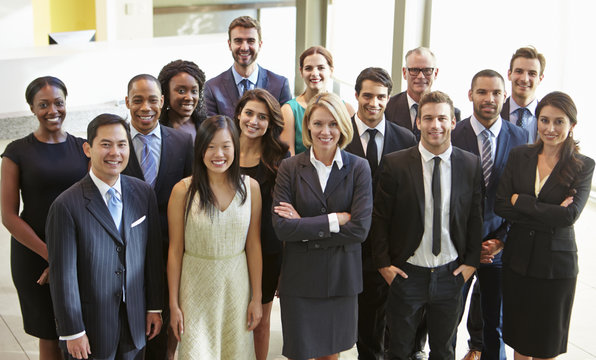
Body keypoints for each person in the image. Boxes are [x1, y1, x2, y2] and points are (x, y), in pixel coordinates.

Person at [371, 91, 483, 360]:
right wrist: (384, 265)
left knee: (444, 351)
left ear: (453, 122)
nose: (435, 125)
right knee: (398, 349)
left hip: (451, 274)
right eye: (428, 118)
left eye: (442, 118)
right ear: (418, 122)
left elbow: (474, 218)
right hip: (407, 274)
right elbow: (380, 219)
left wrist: (471, 263)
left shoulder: (469, 164)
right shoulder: (395, 164)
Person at [46, 113, 164, 360]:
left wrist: (154, 307)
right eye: (106, 144)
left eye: (122, 144)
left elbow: (152, 255)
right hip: (90, 326)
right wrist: (73, 330)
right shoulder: (66, 205)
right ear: (88, 149)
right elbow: (63, 275)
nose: (115, 153)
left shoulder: (143, 193)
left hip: (135, 321)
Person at [272, 92, 373, 360]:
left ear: (342, 126)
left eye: (332, 124)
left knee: (331, 355)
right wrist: (335, 220)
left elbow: (360, 229)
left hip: (341, 278)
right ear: (307, 127)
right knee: (299, 352)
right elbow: (282, 227)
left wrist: (303, 229)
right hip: (300, 279)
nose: (325, 131)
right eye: (317, 124)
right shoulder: (290, 168)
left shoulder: (359, 168)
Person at [495, 91, 594, 360]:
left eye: (559, 122)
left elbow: (569, 217)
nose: (550, 129)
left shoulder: (583, 165)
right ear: (536, 121)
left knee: (546, 344)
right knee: (519, 341)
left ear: (572, 125)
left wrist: (521, 201)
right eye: (544, 120)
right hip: (519, 262)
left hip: (555, 268)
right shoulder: (519, 156)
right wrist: (547, 211)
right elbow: (501, 205)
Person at [0, 76, 89, 360]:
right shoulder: (17, 152)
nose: (53, 110)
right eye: (44, 104)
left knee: (78, 329)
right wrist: (52, 257)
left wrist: (66, 259)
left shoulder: (84, 148)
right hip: (34, 253)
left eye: (59, 103)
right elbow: (9, 215)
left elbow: (92, 207)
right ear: (32, 108)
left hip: (79, 253)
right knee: (49, 334)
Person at [167, 115, 263, 359]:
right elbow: (175, 251)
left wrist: (257, 297)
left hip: (237, 286)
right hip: (195, 287)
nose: (218, 154)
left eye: (225, 146)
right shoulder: (183, 190)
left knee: (237, 352)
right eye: (210, 147)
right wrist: (174, 304)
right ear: (200, 150)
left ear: (235, 148)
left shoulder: (250, 188)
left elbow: (253, 245)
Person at [452, 70, 528, 360]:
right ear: (470, 95)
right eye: (482, 92)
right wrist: (466, 243)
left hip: (497, 247)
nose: (489, 98)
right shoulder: (452, 135)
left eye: (496, 92)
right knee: (448, 320)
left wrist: (501, 241)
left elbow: (522, 195)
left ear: (505, 96)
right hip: (458, 248)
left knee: (494, 326)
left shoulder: (519, 136)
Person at [343, 67, 416, 360]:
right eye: (368, 95)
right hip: (354, 247)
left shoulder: (407, 138)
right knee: (365, 326)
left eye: (381, 97)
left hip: (394, 246)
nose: (374, 103)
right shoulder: (340, 134)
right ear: (357, 95)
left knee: (394, 324)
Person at [121, 74, 194, 360]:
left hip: (170, 252)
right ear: (127, 102)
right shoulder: (115, 141)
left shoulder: (182, 142)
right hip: (124, 253)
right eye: (137, 100)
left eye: (152, 100)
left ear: (162, 102)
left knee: (164, 333)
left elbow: (191, 198)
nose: (145, 107)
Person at [234, 89, 289, 360]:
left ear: (271, 122)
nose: (254, 121)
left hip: (267, 252)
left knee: (260, 321)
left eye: (262, 117)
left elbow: (284, 213)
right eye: (249, 113)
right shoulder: (223, 150)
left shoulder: (280, 159)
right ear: (238, 114)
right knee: (230, 319)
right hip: (227, 251)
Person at [204, 15, 292, 119]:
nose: (244, 47)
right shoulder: (212, 88)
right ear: (229, 44)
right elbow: (212, 133)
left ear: (260, 45)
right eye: (238, 41)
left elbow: (285, 129)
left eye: (251, 41)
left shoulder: (280, 85)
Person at [281, 46, 355, 155]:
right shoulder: (289, 111)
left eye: (321, 68)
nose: (315, 73)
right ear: (301, 72)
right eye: (308, 68)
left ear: (331, 70)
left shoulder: (347, 109)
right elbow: (288, 157)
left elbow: (351, 154)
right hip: (300, 171)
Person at [385, 47, 461, 142]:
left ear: (435, 73)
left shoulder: (451, 113)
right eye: (414, 70)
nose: (421, 76)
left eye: (427, 70)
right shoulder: (387, 108)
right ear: (404, 73)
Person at [501, 46, 546, 143]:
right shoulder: (496, 113)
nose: (524, 79)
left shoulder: (548, 117)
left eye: (532, 73)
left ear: (540, 79)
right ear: (509, 74)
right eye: (519, 71)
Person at [158, 59, 207, 141]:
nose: (189, 97)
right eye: (181, 91)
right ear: (166, 93)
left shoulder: (208, 126)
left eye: (194, 91)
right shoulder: (157, 129)